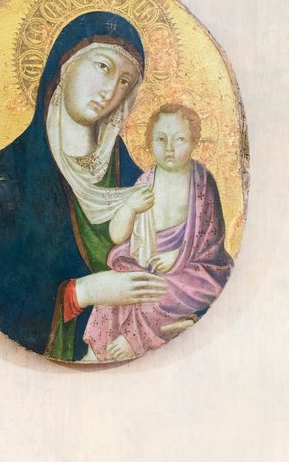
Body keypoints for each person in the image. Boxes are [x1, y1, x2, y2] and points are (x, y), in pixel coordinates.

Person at [0, 11, 167, 362]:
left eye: (124, 81)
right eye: (102, 67)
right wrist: (82, 292)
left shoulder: (136, 179)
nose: (109, 90)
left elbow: (179, 262)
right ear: (65, 66)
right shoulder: (6, 178)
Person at [83, 104, 234, 362]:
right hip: (146, 262)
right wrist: (130, 207)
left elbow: (211, 239)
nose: (170, 148)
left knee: (158, 293)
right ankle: (94, 355)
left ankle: (132, 340)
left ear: (194, 141)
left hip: (193, 268)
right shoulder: (146, 181)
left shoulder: (202, 181)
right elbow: (118, 237)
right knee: (115, 290)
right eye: (161, 139)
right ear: (149, 142)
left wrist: (178, 256)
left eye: (180, 139)